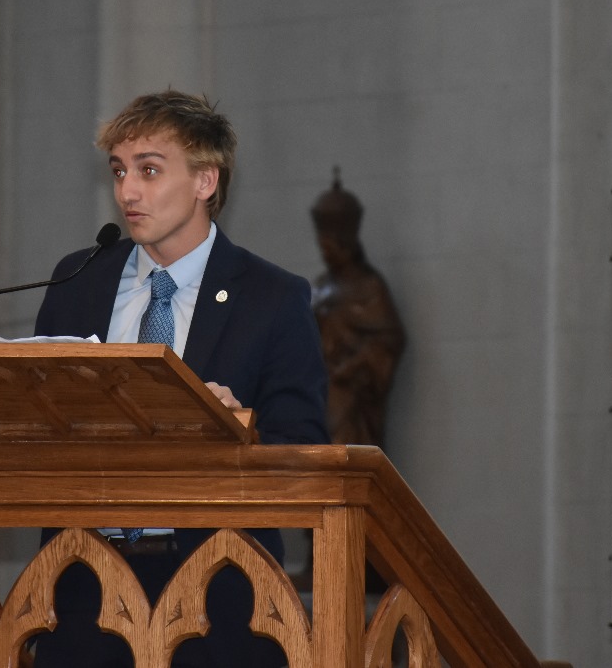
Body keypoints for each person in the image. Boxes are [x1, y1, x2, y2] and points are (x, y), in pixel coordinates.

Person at [30, 90, 329, 668]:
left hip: (220, 599)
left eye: (148, 170)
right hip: (85, 592)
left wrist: (236, 431)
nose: (127, 192)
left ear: (204, 181)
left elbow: (306, 452)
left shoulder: (272, 297)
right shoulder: (79, 279)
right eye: (119, 171)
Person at [310, 169, 405, 447]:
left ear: (345, 244)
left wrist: (353, 367)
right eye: (322, 246)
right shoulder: (320, 286)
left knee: (348, 456)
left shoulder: (369, 286)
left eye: (330, 246)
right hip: (318, 394)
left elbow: (389, 341)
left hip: (350, 399)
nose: (325, 252)